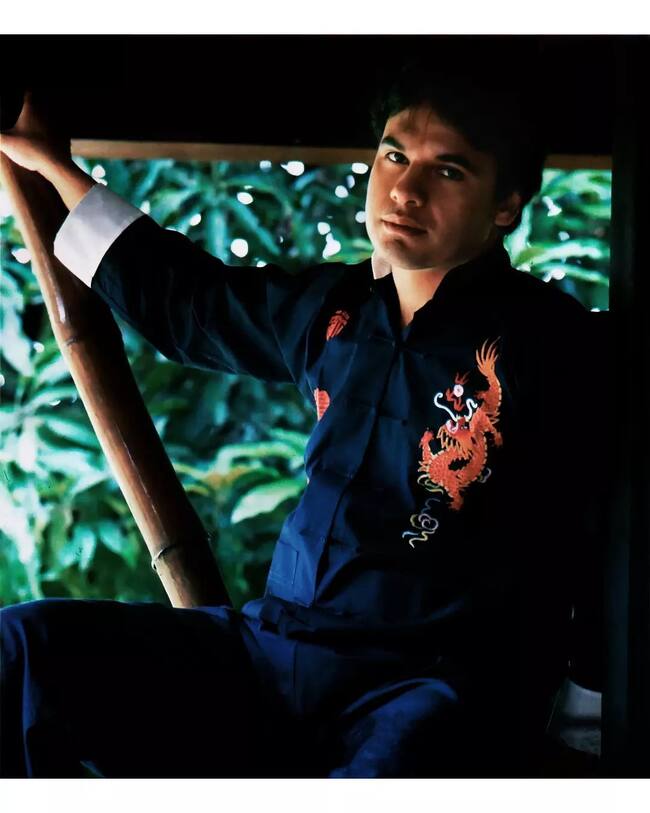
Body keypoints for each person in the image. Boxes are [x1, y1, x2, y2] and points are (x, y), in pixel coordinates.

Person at [0, 60, 603, 778]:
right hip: (273, 651)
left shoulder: (549, 341)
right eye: (395, 156)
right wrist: (55, 168)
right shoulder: (335, 309)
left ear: (506, 206)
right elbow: (191, 303)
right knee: (25, 648)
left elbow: (594, 530)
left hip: (426, 682)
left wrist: (589, 711)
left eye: (449, 171)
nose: (405, 190)